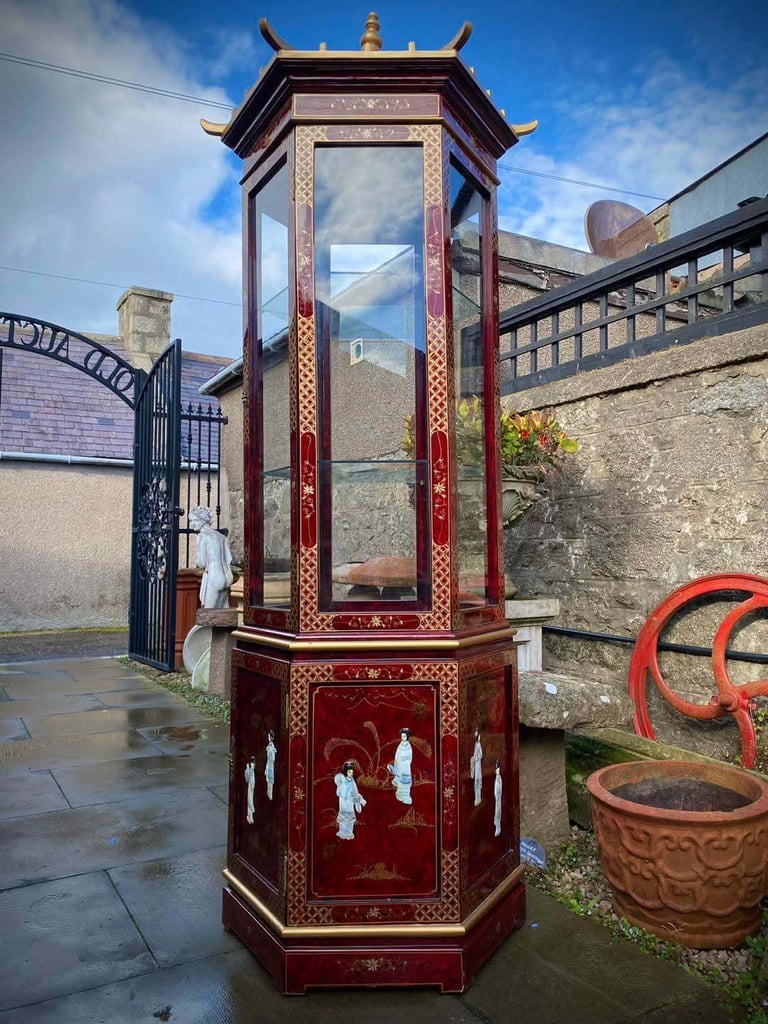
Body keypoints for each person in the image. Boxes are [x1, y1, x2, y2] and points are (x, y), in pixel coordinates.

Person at [188, 505, 234, 609]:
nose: (192, 524)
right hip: (226, 577)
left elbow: (201, 562)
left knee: (208, 614)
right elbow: (229, 559)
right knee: (222, 613)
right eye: (191, 521)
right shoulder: (221, 537)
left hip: (213, 577)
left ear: (203, 520)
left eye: (194, 520)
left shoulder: (202, 536)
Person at [334, 761, 366, 839]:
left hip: (349, 802)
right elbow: (339, 792)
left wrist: (356, 798)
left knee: (350, 816)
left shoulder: (352, 781)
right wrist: (344, 794)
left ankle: (349, 832)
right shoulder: (343, 781)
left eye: (352, 772)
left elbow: (355, 790)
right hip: (343, 801)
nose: (351, 773)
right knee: (343, 816)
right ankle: (342, 831)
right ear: (346, 772)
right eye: (349, 772)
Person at [388, 727, 413, 805]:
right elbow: (397, 755)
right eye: (402, 736)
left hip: (405, 767)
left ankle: (406, 797)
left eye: (404, 736)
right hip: (400, 765)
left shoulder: (408, 746)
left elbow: (410, 757)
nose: (403, 738)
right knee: (400, 781)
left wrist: (405, 761)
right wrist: (397, 762)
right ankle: (400, 795)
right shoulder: (400, 745)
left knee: (405, 781)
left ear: (407, 736)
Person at [470, 728, 483, 806]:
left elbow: (480, 755)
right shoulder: (476, 744)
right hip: (477, 764)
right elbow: (477, 754)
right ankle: (477, 798)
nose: (480, 737)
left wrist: (476, 757)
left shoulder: (479, 744)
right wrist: (474, 758)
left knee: (478, 781)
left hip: (478, 764)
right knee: (476, 782)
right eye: (479, 736)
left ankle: (479, 798)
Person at [265, 731, 277, 801]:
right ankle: (269, 794)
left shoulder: (271, 747)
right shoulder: (269, 746)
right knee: (268, 779)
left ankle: (270, 795)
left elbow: (273, 758)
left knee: (270, 779)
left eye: (269, 736)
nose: (268, 738)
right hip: (268, 764)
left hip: (270, 764)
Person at [244, 756, 256, 825]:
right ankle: (249, 815)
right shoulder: (249, 767)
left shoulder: (251, 767)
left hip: (252, 783)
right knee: (250, 798)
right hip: (250, 783)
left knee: (251, 797)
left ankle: (250, 815)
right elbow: (247, 777)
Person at [494, 760, 503, 837]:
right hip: (497, 797)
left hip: (499, 798)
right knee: (497, 810)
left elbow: (500, 789)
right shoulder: (497, 779)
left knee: (498, 810)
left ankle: (498, 824)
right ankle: (496, 823)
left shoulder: (499, 779)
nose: (498, 772)